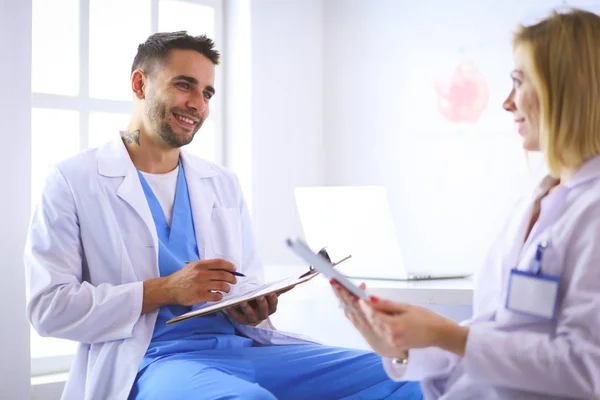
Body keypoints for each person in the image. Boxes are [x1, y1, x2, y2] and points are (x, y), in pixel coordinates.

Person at [24, 31, 423, 399]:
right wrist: (166, 289)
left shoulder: (221, 183)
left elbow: (244, 281)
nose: (197, 104)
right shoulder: (73, 179)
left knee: (405, 376)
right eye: (184, 85)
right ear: (139, 84)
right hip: (152, 360)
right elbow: (48, 309)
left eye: (208, 93)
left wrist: (253, 304)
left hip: (243, 347)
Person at [332, 7, 600, 400]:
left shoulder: (592, 211)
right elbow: (493, 335)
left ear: (564, 90)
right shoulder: (537, 198)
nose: (507, 103)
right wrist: (403, 346)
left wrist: (447, 334)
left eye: (519, 82)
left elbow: (585, 370)